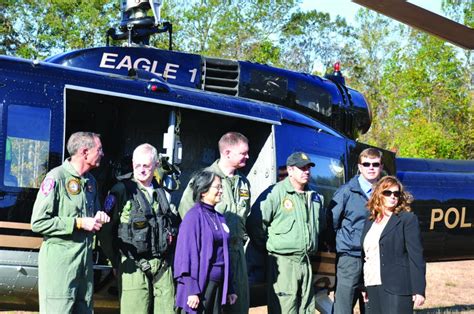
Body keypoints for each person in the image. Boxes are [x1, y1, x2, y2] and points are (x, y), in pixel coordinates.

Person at [31, 131, 109, 314]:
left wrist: (98, 217)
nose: (103, 154)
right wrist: (78, 223)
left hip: (83, 265)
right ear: (84, 152)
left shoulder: (91, 182)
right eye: (100, 149)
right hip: (60, 266)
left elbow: (92, 216)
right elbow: (38, 222)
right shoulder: (56, 178)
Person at [99, 143, 178, 314]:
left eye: (146, 165)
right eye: (137, 165)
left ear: (156, 165)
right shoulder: (121, 191)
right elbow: (106, 231)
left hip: (162, 265)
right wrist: (115, 261)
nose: (141, 170)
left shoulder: (163, 193)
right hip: (132, 264)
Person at [178, 132, 251, 313]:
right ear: (227, 153)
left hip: (235, 253)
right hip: (211, 257)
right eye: (243, 153)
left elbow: (246, 215)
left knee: (239, 306)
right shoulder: (206, 179)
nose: (247, 156)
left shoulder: (244, 182)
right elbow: (187, 213)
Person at [258, 152, 324, 314]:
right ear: (290, 170)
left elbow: (320, 226)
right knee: (285, 307)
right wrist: (271, 246)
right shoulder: (275, 193)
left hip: (306, 261)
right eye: (302, 168)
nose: (306, 171)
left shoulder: (315, 197)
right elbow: (256, 225)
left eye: (308, 167)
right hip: (284, 262)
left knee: (306, 308)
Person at [174, 170, 238, 313]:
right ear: (203, 191)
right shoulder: (193, 217)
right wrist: (191, 289)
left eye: (221, 187)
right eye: (217, 187)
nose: (221, 191)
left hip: (218, 286)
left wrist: (230, 288)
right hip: (202, 287)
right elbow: (185, 256)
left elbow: (224, 254)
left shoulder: (219, 217)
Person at [330, 148, 384, 314]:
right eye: (366, 164)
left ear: (381, 167)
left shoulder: (386, 193)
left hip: (375, 258)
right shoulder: (346, 192)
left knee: (373, 305)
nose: (371, 168)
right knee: (344, 306)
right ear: (359, 167)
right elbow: (331, 222)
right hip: (350, 258)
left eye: (375, 164)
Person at [361, 176, 426, 313]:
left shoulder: (407, 219)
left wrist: (418, 289)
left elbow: (416, 256)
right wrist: (364, 286)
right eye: (387, 193)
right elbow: (366, 256)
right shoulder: (370, 221)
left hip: (397, 286)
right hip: (372, 284)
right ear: (379, 194)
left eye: (396, 193)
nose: (392, 196)